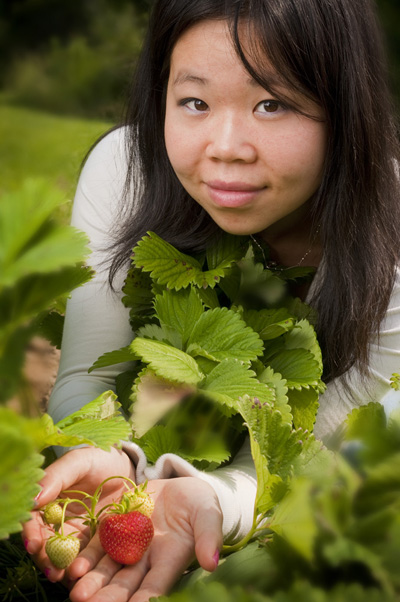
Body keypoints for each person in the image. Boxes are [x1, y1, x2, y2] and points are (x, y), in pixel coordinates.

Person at [22, 0, 400, 600]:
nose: (226, 148)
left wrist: (215, 500)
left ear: (345, 110)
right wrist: (108, 460)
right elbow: (88, 381)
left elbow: (310, 454)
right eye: (193, 102)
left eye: (272, 104)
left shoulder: (391, 235)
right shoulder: (127, 169)